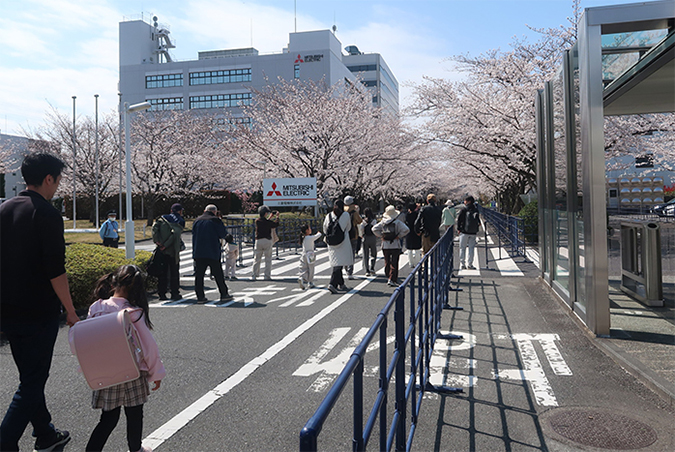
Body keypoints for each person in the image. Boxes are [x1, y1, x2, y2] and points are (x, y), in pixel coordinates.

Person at [0, 153, 79, 452]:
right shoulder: (46, 213)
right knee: (32, 381)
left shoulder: (4, 209)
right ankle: (5, 441)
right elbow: (55, 269)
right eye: (57, 181)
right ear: (49, 179)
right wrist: (71, 311)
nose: (57, 187)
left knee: (29, 375)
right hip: (37, 311)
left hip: (6, 309)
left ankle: (45, 432)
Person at [82, 265, 165, 452]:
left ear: (114, 282)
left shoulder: (96, 307)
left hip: (106, 374)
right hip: (132, 372)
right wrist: (156, 373)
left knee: (108, 419)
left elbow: (85, 338)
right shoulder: (133, 313)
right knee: (135, 416)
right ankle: (135, 449)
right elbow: (148, 347)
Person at [192, 205, 233, 303]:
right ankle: (224, 294)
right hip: (212, 251)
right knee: (218, 274)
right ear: (215, 212)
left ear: (204, 210)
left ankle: (200, 297)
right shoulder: (215, 220)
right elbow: (223, 234)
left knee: (199, 275)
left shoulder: (197, 220)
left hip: (199, 251)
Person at [152, 203, 185, 301]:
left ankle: (162, 293)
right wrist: (165, 245)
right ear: (180, 211)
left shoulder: (162, 218)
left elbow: (154, 228)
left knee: (163, 273)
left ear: (171, 210)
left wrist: (157, 242)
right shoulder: (180, 221)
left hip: (161, 251)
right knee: (174, 272)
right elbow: (175, 235)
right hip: (172, 251)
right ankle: (174, 293)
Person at [372, 205, 410, 287]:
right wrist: (399, 236)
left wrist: (381, 235)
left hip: (385, 245)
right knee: (394, 262)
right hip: (395, 244)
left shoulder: (383, 222)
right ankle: (392, 279)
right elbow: (406, 229)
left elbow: (374, 229)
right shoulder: (397, 222)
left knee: (387, 261)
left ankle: (388, 275)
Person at [323, 199, 353, 294]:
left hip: (331, 243)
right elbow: (348, 228)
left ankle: (341, 283)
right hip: (342, 242)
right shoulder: (345, 215)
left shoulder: (329, 215)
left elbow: (325, 229)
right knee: (339, 264)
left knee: (337, 262)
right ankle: (332, 284)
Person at [252, 205, 279, 281]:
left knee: (257, 259)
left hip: (259, 241)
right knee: (268, 259)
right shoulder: (268, 222)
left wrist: (270, 217)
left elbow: (265, 222)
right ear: (265, 214)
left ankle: (254, 274)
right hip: (267, 241)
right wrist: (277, 217)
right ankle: (267, 276)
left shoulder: (257, 221)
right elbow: (275, 224)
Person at [456, 195, 481, 269]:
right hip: (473, 232)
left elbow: (459, 220)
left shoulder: (464, 209)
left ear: (468, 201)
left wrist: (459, 229)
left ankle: (462, 264)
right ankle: (470, 264)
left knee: (462, 248)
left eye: (465, 200)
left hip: (464, 231)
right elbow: (478, 220)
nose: (464, 202)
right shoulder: (475, 209)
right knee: (471, 248)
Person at [343, 196, 362, 280]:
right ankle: (350, 272)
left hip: (344, 234)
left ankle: (345, 267)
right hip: (353, 234)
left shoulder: (342, 210)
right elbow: (360, 221)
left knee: (345, 252)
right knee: (352, 253)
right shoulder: (354, 211)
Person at [298, 224, 322, 289]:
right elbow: (318, 235)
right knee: (311, 269)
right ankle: (310, 282)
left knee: (304, 268)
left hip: (303, 254)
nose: (311, 229)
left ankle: (302, 278)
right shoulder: (310, 238)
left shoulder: (303, 237)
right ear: (307, 230)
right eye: (309, 228)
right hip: (310, 255)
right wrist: (319, 232)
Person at [359, 207, 378, 276]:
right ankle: (372, 267)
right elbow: (376, 229)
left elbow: (361, 230)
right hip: (372, 237)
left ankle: (367, 270)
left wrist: (362, 235)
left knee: (365, 254)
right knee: (373, 253)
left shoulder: (363, 221)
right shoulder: (374, 221)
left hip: (365, 238)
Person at [405, 202, 423, 268]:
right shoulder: (417, 214)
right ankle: (417, 263)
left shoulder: (407, 215)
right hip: (416, 232)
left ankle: (411, 263)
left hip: (409, 233)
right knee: (417, 249)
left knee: (409, 250)